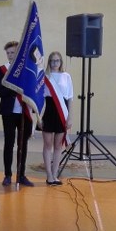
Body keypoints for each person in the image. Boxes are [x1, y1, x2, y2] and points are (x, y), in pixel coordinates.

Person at [0, 41, 35, 187]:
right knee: (9, 143)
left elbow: (31, 90)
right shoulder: (2, 70)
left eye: (13, 52)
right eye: (8, 53)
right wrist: (15, 87)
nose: (10, 55)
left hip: (24, 111)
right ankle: (7, 175)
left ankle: (21, 175)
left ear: (18, 53)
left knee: (22, 144)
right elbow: (0, 91)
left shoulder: (26, 69)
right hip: (8, 112)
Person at [40, 51, 73, 185]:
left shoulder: (66, 76)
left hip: (62, 112)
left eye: (57, 60)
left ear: (61, 62)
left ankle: (55, 174)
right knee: (48, 144)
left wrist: (70, 117)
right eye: (52, 61)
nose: (55, 63)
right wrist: (39, 117)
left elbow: (70, 98)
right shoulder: (44, 76)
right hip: (48, 110)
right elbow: (40, 98)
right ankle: (49, 175)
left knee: (58, 145)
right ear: (49, 62)